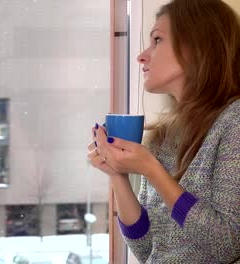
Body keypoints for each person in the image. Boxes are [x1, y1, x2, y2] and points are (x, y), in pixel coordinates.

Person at [87, 0, 240, 263]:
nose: (142, 56)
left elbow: (226, 245)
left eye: (157, 40)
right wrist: (117, 175)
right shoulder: (165, 136)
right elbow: (148, 249)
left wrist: (151, 169)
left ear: (198, 48)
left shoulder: (234, 122)